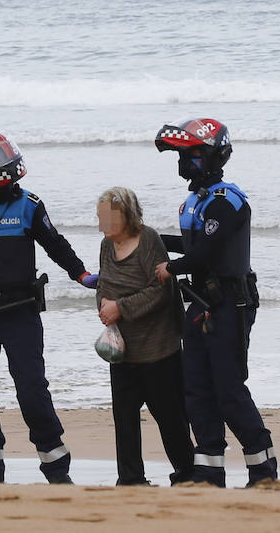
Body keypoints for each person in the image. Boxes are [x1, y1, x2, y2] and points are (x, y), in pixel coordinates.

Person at [0, 130, 98, 484]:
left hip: (20, 313)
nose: (6, 179)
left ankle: (56, 468)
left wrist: (81, 274)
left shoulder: (29, 204)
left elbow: (56, 244)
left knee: (31, 390)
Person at [153, 118, 279, 487]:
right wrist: (144, 238)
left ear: (213, 155)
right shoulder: (193, 201)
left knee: (228, 389)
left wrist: (169, 268)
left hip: (231, 305)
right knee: (196, 389)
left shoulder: (229, 200)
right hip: (200, 305)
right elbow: (190, 246)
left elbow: (204, 254)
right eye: (182, 155)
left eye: (192, 154)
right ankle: (208, 473)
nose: (185, 162)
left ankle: (263, 471)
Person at [94, 186, 194, 486]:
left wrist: (120, 308)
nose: (103, 224)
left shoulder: (148, 239)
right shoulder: (105, 245)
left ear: (127, 216)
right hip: (122, 351)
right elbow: (103, 283)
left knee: (170, 417)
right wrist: (102, 305)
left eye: (109, 217)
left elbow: (161, 291)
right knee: (124, 419)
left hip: (157, 349)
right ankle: (130, 479)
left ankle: (187, 474)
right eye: (100, 218)